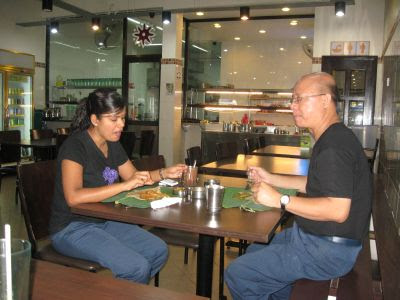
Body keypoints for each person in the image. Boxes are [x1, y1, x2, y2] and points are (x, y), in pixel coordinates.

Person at [225, 72, 372, 299]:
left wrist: (279, 200)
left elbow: (337, 209)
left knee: (239, 273)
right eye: (292, 99)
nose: (293, 106)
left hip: (327, 251)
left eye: (300, 99)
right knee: (255, 249)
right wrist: (270, 178)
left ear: (325, 100)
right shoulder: (333, 137)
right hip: (317, 239)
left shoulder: (334, 146)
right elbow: (314, 184)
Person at [49, 88, 186, 284]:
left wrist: (163, 173)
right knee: (136, 267)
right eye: (114, 119)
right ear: (95, 119)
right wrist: (123, 186)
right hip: (71, 227)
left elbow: (134, 178)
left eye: (122, 118)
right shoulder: (75, 146)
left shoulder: (112, 144)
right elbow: (74, 197)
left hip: (104, 220)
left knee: (157, 251)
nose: (121, 125)